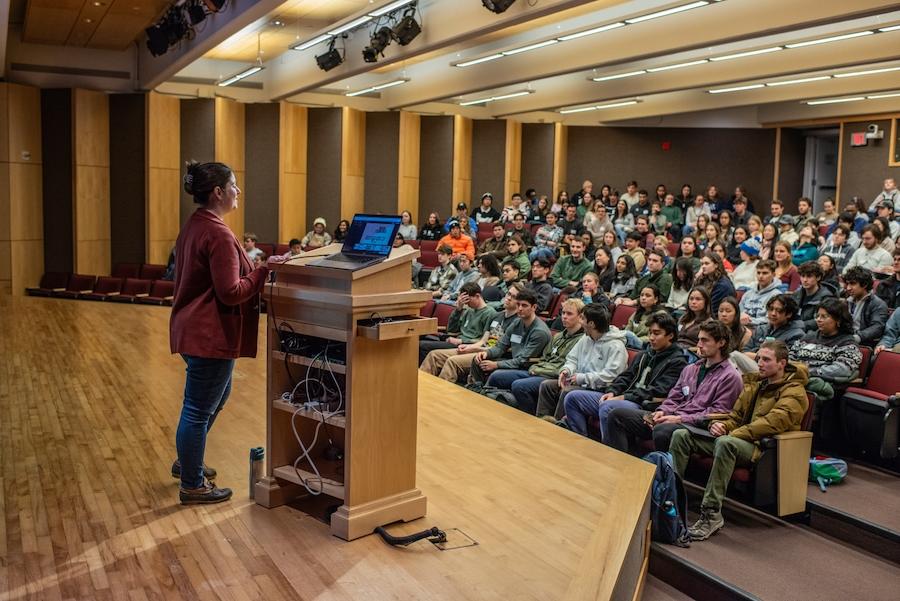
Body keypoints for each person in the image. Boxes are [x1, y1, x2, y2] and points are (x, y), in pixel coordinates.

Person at [171, 161, 271, 504]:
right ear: (218, 192)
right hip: (208, 333)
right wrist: (263, 271)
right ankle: (192, 483)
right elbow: (230, 291)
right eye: (233, 185)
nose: (238, 191)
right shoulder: (218, 232)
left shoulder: (197, 223)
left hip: (194, 328)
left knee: (217, 396)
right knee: (197, 410)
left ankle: (188, 461)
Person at [670, 340, 809, 541]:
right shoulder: (755, 384)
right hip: (736, 439)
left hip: (761, 449)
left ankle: (711, 514)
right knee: (681, 435)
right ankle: (671, 499)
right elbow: (735, 416)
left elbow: (772, 424)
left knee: (725, 443)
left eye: (766, 360)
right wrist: (722, 426)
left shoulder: (794, 391)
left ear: (782, 363)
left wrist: (731, 434)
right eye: (759, 358)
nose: (760, 363)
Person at [606, 319, 743, 455]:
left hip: (694, 427)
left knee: (662, 430)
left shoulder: (730, 376)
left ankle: (663, 473)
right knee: (617, 415)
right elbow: (674, 397)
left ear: (721, 343)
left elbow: (717, 413)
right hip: (673, 418)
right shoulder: (691, 369)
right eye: (699, 339)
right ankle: (624, 465)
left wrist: (679, 419)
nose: (699, 345)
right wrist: (662, 411)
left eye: (705, 340)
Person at [564, 312, 687, 440]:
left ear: (671, 335)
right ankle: (579, 440)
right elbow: (625, 376)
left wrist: (623, 397)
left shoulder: (677, 362)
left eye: (656, 333)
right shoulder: (644, 354)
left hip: (643, 405)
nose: (651, 337)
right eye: (650, 332)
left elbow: (659, 391)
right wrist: (612, 391)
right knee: (573, 398)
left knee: (608, 408)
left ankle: (607, 451)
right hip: (623, 398)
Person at [492, 299, 585, 414]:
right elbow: (545, 357)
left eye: (569, 314)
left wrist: (539, 370)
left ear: (581, 317)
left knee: (519, 386)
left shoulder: (582, 340)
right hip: (538, 370)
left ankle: (529, 417)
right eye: (563, 313)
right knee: (496, 376)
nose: (564, 317)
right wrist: (536, 368)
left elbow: (566, 368)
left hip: (553, 377)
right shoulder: (558, 336)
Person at [537, 304, 628, 419]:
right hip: (580, 383)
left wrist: (582, 378)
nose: (580, 322)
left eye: (583, 318)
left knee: (568, 391)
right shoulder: (585, 338)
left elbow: (611, 376)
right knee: (547, 386)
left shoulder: (616, 346)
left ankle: (558, 427)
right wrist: (566, 370)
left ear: (591, 324)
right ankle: (541, 421)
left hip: (600, 389)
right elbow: (572, 359)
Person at [469, 288, 552, 387]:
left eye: (524, 305)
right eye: (518, 304)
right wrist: (486, 353)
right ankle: (477, 388)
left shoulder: (539, 332)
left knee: (496, 375)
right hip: (513, 362)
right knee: (477, 360)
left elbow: (523, 361)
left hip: (528, 368)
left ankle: (485, 392)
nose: (520, 308)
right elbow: (500, 346)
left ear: (534, 307)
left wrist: (496, 365)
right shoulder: (517, 322)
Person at [790, 298, 862, 403]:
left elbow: (842, 369)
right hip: (795, 379)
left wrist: (807, 371)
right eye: (817, 316)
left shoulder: (847, 342)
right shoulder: (809, 336)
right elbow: (791, 355)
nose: (818, 319)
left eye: (824, 316)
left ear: (838, 320)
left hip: (821, 388)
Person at [420, 282, 497, 371]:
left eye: (467, 299)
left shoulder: (490, 313)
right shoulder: (469, 310)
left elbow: (484, 341)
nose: (466, 303)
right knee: (422, 344)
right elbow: (451, 330)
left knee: (423, 346)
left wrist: (461, 340)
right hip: (457, 341)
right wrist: (458, 310)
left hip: (468, 345)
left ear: (477, 296)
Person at [843, 266, 889, 347]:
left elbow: (877, 328)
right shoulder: (847, 301)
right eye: (847, 283)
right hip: (846, 340)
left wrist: (856, 337)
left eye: (852, 283)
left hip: (865, 344)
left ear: (864, 284)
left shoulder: (878, 304)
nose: (848, 288)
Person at [792, 261, 835, 331]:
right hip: (796, 330)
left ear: (818, 278)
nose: (805, 280)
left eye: (809, 276)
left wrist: (797, 325)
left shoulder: (826, 297)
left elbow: (821, 321)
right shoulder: (796, 294)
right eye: (803, 276)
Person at [738, 259, 781, 328]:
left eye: (765, 273)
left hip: (763, 330)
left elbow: (772, 319)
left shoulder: (777, 295)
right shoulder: (748, 294)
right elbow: (738, 313)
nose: (760, 276)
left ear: (773, 274)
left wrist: (750, 321)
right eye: (758, 273)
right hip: (742, 328)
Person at [623, 285, 664, 349]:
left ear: (656, 299)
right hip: (631, 342)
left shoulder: (660, 315)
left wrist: (634, 338)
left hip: (647, 345)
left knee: (629, 335)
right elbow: (627, 329)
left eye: (648, 296)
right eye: (642, 295)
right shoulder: (637, 313)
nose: (643, 298)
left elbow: (652, 337)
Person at [676, 286, 711, 352]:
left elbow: (706, 347)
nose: (693, 302)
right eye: (691, 299)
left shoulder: (709, 322)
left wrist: (686, 349)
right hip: (676, 350)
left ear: (706, 302)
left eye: (698, 299)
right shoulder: (683, 318)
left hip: (692, 355)